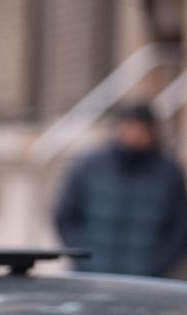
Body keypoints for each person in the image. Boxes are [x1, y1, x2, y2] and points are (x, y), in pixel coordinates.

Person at [55, 103, 187, 277]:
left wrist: (159, 263)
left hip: (145, 278)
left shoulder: (168, 173)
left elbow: (179, 226)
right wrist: (83, 257)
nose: (133, 134)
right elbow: (65, 216)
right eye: (128, 127)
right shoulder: (90, 167)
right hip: (93, 275)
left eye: (139, 128)